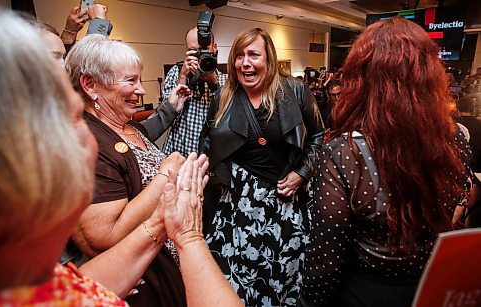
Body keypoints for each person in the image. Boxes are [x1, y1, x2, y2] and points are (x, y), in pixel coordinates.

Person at [0, 7, 243, 306]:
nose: (80, 140)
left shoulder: (43, 279)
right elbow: (101, 238)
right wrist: (185, 230)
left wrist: (164, 221)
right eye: (72, 118)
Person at [299, 17, 475, 307]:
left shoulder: (345, 154)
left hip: (364, 293)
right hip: (432, 290)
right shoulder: (454, 143)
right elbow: (458, 211)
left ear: (363, 78)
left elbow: (326, 260)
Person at [200, 27, 325, 306]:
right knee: (236, 284)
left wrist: (302, 173)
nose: (246, 62)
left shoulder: (295, 91)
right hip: (237, 208)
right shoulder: (223, 96)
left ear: (268, 59)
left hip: (284, 206)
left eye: (254, 55)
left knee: (280, 281)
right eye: (240, 55)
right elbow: (207, 142)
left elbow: (318, 135)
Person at [65, 34, 189, 306]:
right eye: (130, 81)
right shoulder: (88, 141)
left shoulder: (127, 126)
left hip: (166, 269)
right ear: (90, 85)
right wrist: (166, 176)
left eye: (139, 80)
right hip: (141, 284)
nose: (141, 90)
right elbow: (103, 237)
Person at [160, 26, 227, 158]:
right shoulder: (176, 73)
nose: (199, 56)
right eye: (193, 51)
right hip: (177, 157)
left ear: (214, 48)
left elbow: (229, 122)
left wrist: (215, 84)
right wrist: (183, 78)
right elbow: (164, 118)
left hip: (209, 163)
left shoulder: (227, 80)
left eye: (204, 50)